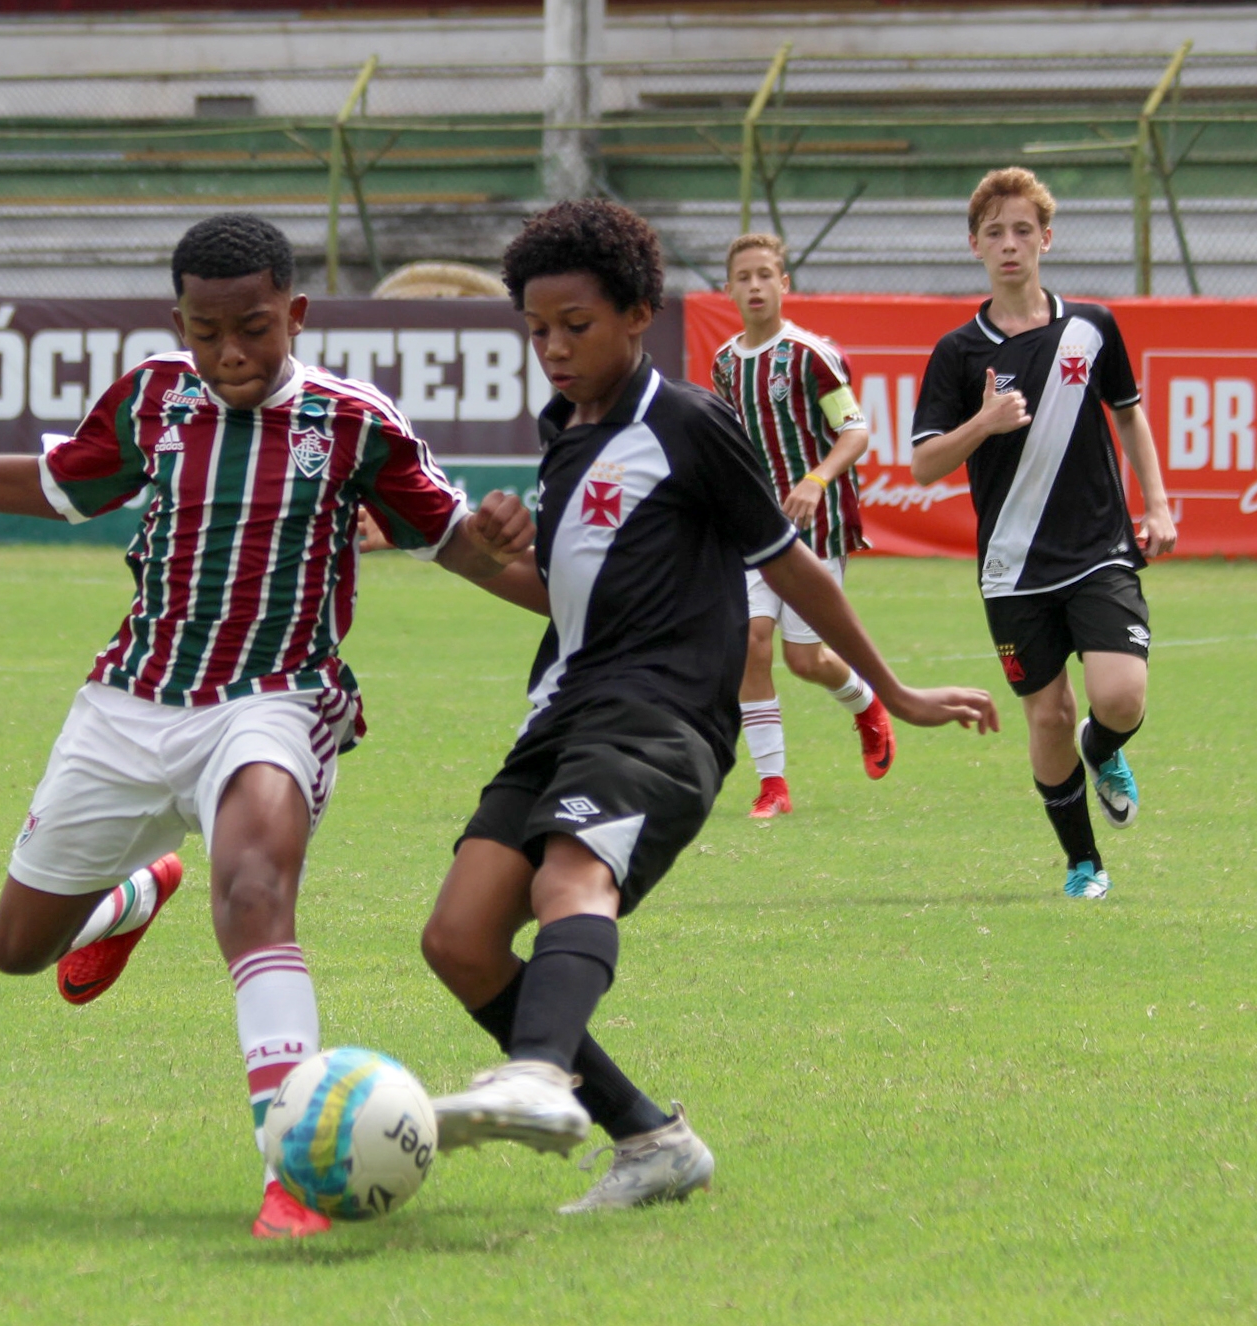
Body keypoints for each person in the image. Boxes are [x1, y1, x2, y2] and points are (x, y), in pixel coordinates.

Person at [0, 214, 534, 1240]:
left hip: (273, 698)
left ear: (296, 313)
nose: (231, 352)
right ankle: (136, 895)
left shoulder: (352, 420)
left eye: (253, 328)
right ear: (178, 322)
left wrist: (592, 607)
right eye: (206, 331)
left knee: (254, 890)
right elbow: (58, 487)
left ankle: (292, 1166)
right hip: (130, 702)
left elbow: (460, 544)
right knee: (17, 951)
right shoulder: (155, 397)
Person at [418, 199, 998, 1213]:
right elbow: (563, 591)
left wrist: (893, 691)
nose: (553, 349)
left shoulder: (688, 422)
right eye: (538, 330)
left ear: (640, 314)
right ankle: (649, 1139)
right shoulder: (567, 436)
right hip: (561, 711)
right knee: (458, 942)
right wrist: (471, 549)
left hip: (666, 715)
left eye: (577, 326)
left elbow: (796, 568)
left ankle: (537, 1073)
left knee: (571, 874)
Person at [909, 168, 1177, 900]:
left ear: (1046, 239)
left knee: (1118, 696)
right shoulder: (958, 353)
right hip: (1012, 567)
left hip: (1098, 549)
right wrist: (983, 424)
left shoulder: (1092, 326)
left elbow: (1128, 413)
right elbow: (925, 461)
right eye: (994, 232)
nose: (1009, 244)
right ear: (974, 246)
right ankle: (1084, 862)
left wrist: (1157, 504)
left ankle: (1106, 747)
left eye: (1023, 229)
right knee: (1049, 713)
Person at [712, 233, 892, 817]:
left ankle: (867, 706)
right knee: (750, 645)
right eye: (745, 277)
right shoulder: (723, 364)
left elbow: (856, 431)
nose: (756, 285)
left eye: (767, 274)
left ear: (783, 285)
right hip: (757, 530)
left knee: (806, 660)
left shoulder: (812, 355)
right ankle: (773, 786)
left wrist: (815, 481)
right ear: (730, 288)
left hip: (819, 524)